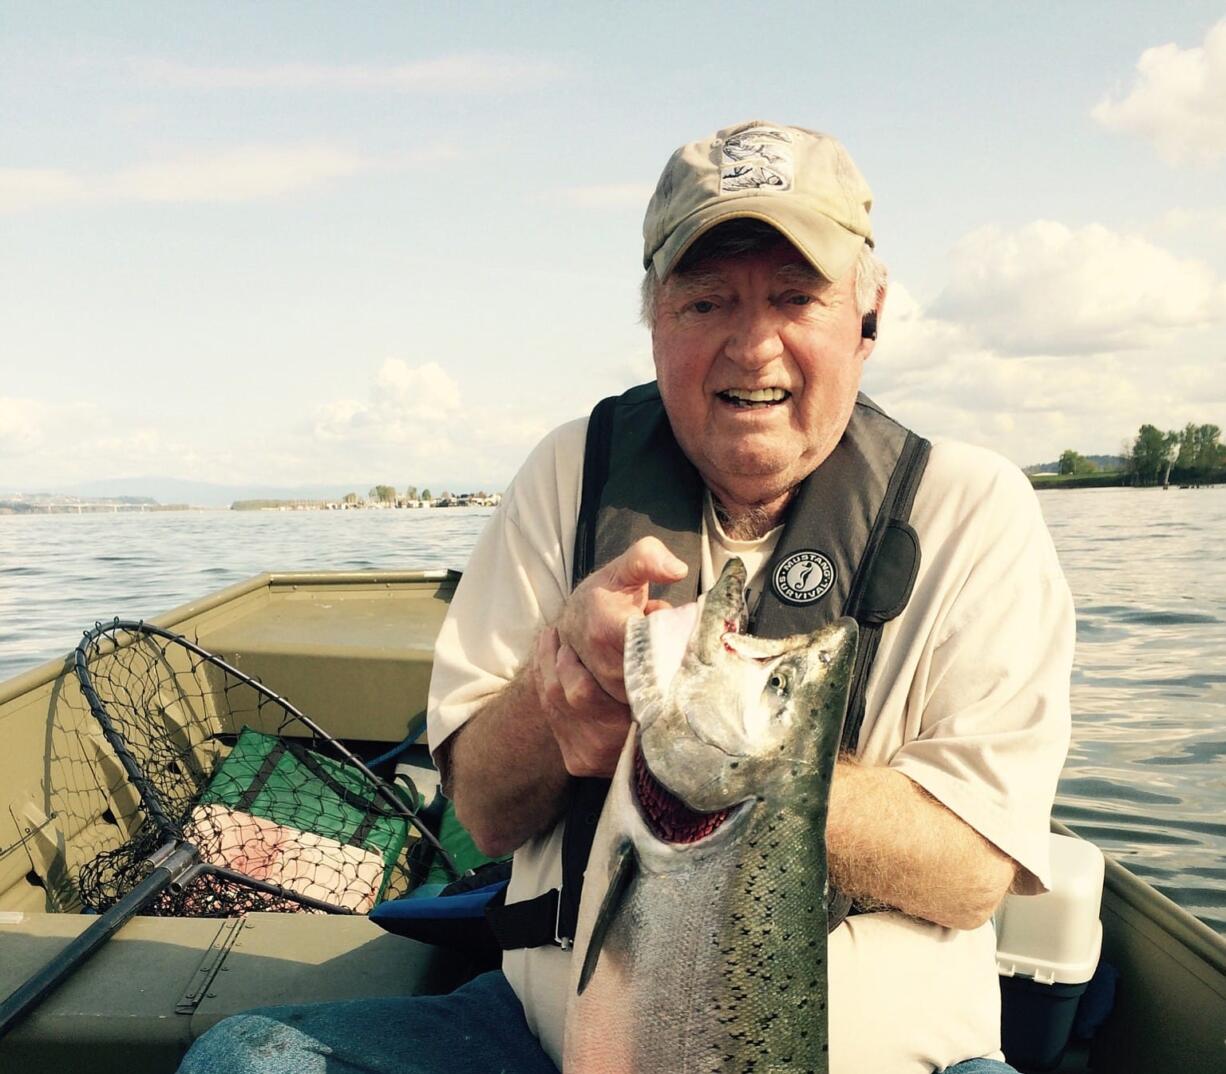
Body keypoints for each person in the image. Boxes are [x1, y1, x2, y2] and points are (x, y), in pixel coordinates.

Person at [178, 120, 1073, 1074]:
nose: (753, 344)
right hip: (537, 1042)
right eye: (705, 301)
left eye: (795, 296)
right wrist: (552, 703)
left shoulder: (973, 510)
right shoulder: (571, 473)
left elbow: (976, 871)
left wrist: (740, 763)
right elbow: (479, 809)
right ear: (653, 315)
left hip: (901, 1063)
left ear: (869, 313)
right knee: (244, 1060)